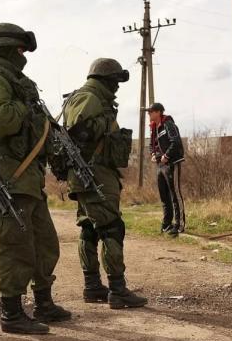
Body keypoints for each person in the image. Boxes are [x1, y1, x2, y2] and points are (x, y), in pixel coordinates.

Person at [0, 22, 71, 335]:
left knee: (45, 242)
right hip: (10, 175)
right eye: (21, 50)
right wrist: (28, 108)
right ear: (8, 50)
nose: (24, 56)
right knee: (16, 245)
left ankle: (44, 303)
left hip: (27, 175)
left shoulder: (13, 80)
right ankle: (11, 313)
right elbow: (2, 122)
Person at [62, 58, 147, 309]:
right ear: (105, 80)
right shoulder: (90, 98)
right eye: (115, 81)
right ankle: (117, 290)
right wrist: (105, 124)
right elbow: (78, 130)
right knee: (111, 228)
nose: (117, 87)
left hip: (90, 173)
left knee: (90, 227)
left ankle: (92, 287)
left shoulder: (89, 97)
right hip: (93, 173)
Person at [148, 103, 186, 236]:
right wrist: (153, 154)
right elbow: (151, 145)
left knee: (175, 194)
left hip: (171, 163)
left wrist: (167, 156)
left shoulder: (168, 124)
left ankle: (179, 224)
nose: (149, 114)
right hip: (160, 165)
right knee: (164, 195)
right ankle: (167, 223)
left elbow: (176, 142)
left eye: (151, 111)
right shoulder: (154, 128)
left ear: (158, 112)